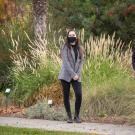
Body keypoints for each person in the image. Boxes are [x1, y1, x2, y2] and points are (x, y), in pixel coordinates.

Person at [58, 30, 84, 123]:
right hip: (65, 75)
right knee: (66, 96)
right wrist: (73, 74)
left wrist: (77, 74)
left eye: (73, 35)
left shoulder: (80, 48)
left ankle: (76, 116)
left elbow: (81, 62)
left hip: (77, 75)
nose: (72, 36)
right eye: (70, 35)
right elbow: (66, 63)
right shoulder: (65, 47)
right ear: (67, 36)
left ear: (76, 36)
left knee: (79, 94)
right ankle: (69, 116)